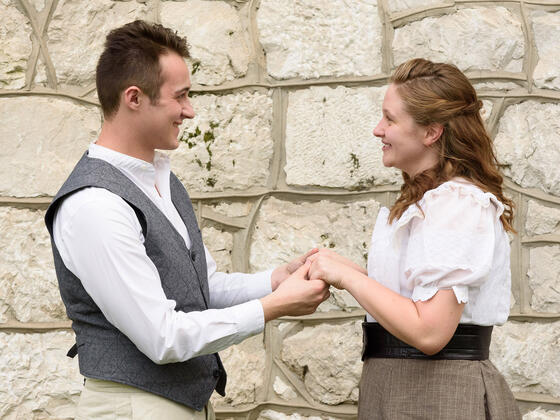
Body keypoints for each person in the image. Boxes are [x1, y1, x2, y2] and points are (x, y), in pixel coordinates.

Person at [44, 20, 330, 420]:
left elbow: (202, 290)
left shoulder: (161, 181)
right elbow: (162, 337)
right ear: (134, 98)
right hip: (132, 408)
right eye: (181, 96)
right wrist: (271, 307)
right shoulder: (95, 205)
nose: (190, 111)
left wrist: (274, 281)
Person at [307, 58, 521, 419]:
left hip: (438, 393)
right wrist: (345, 270)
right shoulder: (433, 201)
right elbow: (413, 297)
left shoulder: (457, 203)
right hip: (403, 387)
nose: (378, 130)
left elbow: (429, 330)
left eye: (390, 119)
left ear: (431, 132)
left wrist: (351, 278)